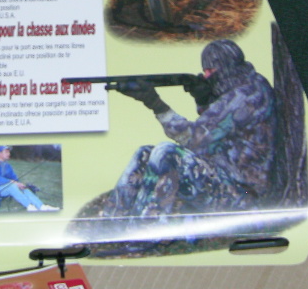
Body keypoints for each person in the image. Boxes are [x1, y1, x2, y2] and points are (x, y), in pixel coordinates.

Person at [69, 39, 280, 253]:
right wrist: (203, 99)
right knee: (144, 154)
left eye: (211, 70)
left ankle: (143, 237)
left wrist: (155, 103)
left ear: (226, 66)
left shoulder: (245, 95)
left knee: (167, 153)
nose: (206, 75)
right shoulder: (249, 84)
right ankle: (108, 227)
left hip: (242, 197)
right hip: (226, 178)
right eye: (205, 70)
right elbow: (224, 128)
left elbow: (195, 139)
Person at [0, 146, 59, 211]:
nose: (9, 154)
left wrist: (19, 184)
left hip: (7, 185)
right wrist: (12, 182)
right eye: (6, 152)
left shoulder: (7, 165)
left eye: (9, 152)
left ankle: (42, 206)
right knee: (12, 186)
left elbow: (13, 177)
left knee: (23, 187)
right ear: (0, 153)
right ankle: (29, 206)